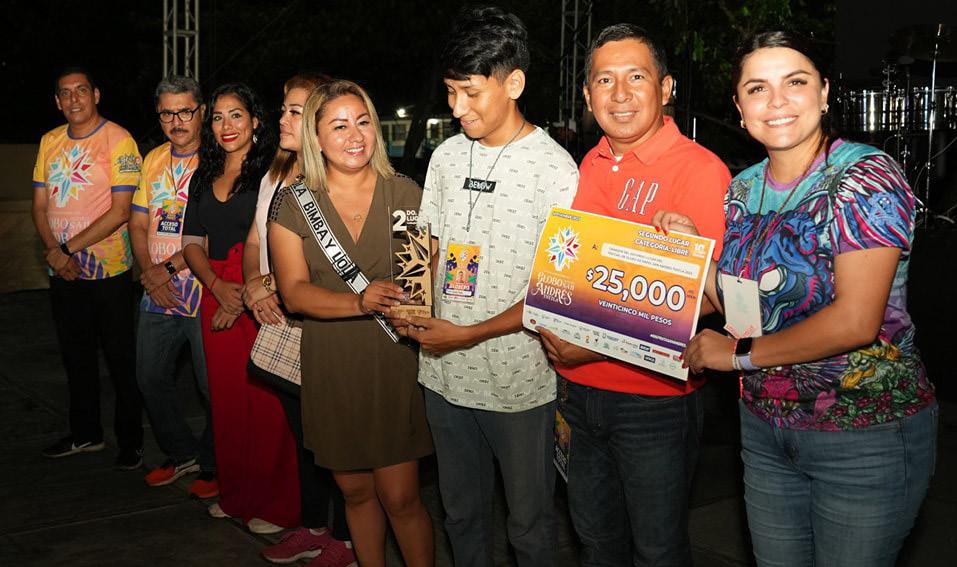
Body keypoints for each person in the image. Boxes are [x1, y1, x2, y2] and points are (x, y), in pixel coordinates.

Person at [654, 30, 937, 567]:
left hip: (862, 432)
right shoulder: (743, 188)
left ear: (825, 92)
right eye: (757, 88)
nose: (777, 101)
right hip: (766, 428)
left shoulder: (864, 176)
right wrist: (693, 252)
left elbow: (855, 322)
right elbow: (746, 308)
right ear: (740, 107)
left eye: (796, 82)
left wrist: (736, 356)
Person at [535, 24, 731, 566]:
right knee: (596, 543)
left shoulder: (701, 170)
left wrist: (589, 346)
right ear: (587, 95)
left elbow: (709, 300)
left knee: (657, 551)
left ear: (665, 88)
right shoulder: (586, 165)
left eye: (636, 77)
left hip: (654, 402)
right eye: (605, 80)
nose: (619, 94)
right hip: (576, 396)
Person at [401, 7, 579, 567]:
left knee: (529, 526)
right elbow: (427, 245)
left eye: (471, 93)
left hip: (518, 383)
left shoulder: (556, 170)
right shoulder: (447, 156)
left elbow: (556, 291)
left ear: (514, 83)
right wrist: (410, 301)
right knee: (461, 515)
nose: (457, 108)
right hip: (443, 374)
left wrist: (467, 333)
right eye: (451, 92)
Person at [269, 79, 434, 567]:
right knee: (355, 493)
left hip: (393, 361)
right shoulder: (294, 203)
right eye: (339, 126)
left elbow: (418, 287)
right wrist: (359, 302)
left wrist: (418, 296)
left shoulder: (404, 193)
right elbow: (293, 292)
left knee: (401, 497)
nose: (355, 135)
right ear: (316, 137)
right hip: (333, 364)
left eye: (363, 122)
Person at [243, 73, 356, 567]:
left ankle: (348, 541)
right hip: (281, 318)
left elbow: (329, 262)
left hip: (322, 323)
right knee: (305, 436)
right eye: (283, 108)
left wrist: (271, 285)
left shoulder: (329, 180)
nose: (282, 119)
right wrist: (253, 284)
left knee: (337, 438)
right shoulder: (276, 172)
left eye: (295, 111)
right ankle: (312, 528)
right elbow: (254, 239)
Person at [181, 82, 299, 534]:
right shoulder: (203, 173)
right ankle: (236, 496)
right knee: (227, 405)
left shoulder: (273, 169)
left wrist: (242, 294)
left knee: (267, 406)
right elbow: (192, 242)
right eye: (217, 117)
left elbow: (274, 240)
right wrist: (216, 286)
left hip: (262, 293)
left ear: (255, 121)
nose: (226, 125)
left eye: (236, 115)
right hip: (215, 293)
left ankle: (277, 505)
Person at [33, 66, 144, 470]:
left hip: (109, 272)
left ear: (96, 95)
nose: (74, 99)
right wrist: (54, 252)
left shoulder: (120, 140)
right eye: (65, 93)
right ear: (56, 102)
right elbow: (40, 205)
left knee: (120, 357)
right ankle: (86, 434)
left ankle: (131, 442)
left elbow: (121, 211)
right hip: (62, 272)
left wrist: (66, 249)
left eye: (81, 90)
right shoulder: (49, 142)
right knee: (75, 356)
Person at [131, 76, 218, 498]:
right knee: (149, 377)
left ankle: (215, 464)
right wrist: (150, 272)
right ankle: (182, 452)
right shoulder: (152, 160)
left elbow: (216, 231)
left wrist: (166, 269)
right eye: (167, 113)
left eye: (185, 111)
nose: (176, 121)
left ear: (202, 111)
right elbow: (138, 222)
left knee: (210, 386)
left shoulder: (218, 160)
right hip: (157, 291)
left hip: (202, 291)